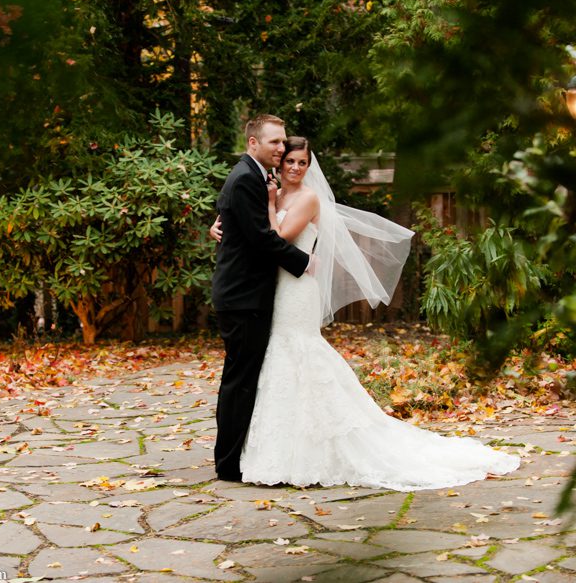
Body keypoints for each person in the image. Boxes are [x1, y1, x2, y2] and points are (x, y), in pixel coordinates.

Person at [211, 137, 520, 489]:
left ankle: (323, 444)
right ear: (279, 165)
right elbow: (250, 231)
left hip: (297, 291)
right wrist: (222, 226)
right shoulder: (274, 194)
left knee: (299, 352)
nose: (296, 168)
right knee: (277, 359)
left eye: (302, 163)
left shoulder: (306, 198)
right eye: (290, 162)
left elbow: (277, 235)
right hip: (274, 288)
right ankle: (278, 445)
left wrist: (268, 204)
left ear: (309, 168)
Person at [210, 115, 315, 483]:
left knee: (241, 378)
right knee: (239, 381)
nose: (281, 148)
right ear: (253, 143)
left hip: (245, 295)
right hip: (243, 298)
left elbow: (241, 225)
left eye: (283, 141)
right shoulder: (245, 179)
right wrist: (304, 262)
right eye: (274, 142)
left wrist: (221, 225)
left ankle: (234, 456)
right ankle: (227, 464)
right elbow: (261, 238)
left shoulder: (255, 177)